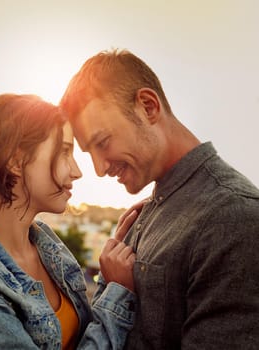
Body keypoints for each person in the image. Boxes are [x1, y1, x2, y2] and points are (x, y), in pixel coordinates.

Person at [60, 49, 259, 349]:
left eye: (102, 143)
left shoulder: (236, 216)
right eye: (89, 154)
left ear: (148, 107)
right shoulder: (146, 213)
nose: (99, 169)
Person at [0, 93, 138, 349]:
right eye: (64, 151)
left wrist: (111, 275)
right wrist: (116, 293)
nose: (77, 171)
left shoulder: (48, 247)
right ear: (15, 161)